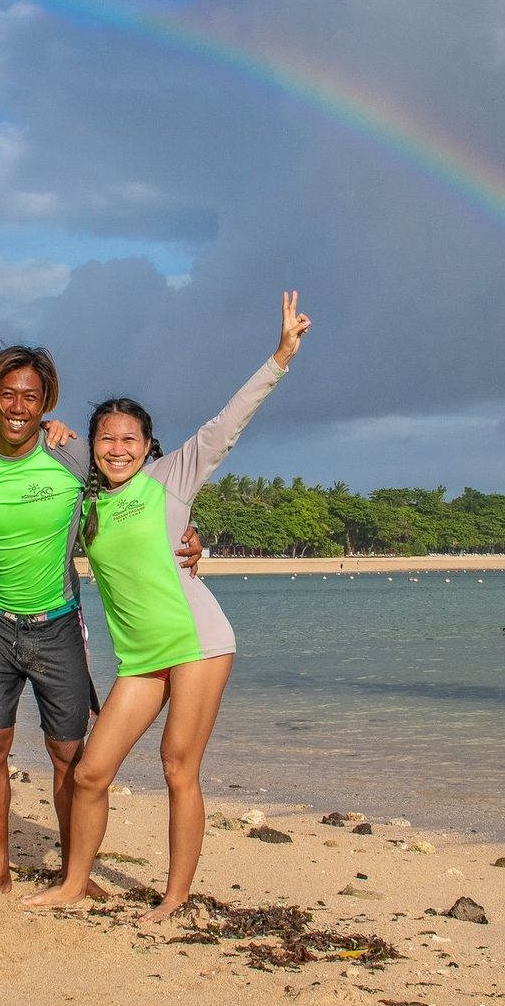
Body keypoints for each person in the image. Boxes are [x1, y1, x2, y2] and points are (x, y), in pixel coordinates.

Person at [23, 291, 311, 920]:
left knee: (178, 767)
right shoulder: (88, 503)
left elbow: (227, 422)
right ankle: (75, 882)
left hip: (199, 641)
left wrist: (280, 356)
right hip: (141, 657)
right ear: (94, 445)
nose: (117, 448)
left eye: (130, 439)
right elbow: (27, 459)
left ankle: (174, 898)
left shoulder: (171, 479)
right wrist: (47, 428)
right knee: (91, 772)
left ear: (149, 445)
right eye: (106, 438)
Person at [0, 347, 201, 897]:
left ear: (46, 402)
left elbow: (144, 483)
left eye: (30, 396)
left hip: (58, 623)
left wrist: (187, 533)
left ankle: (73, 873)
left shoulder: (74, 455)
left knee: (69, 754)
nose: (18, 406)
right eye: (7, 394)